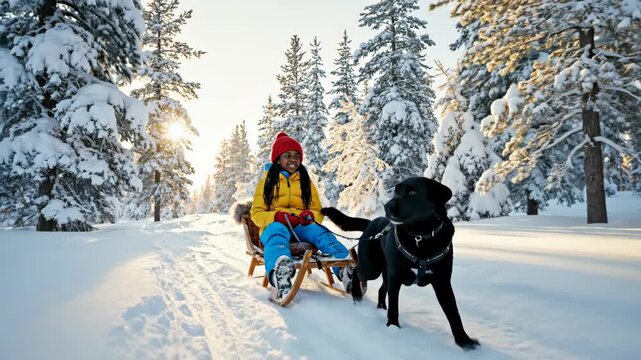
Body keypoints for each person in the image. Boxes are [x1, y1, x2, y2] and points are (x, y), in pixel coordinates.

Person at [250, 132, 353, 299]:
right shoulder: (267, 181)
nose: (293, 159)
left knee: (320, 232)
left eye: (297, 156)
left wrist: (308, 216)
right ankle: (280, 274)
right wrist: (276, 217)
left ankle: (345, 271)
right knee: (276, 232)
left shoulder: (305, 180)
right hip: (274, 226)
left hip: (300, 225)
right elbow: (256, 213)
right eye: (287, 155)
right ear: (277, 159)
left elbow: (317, 211)